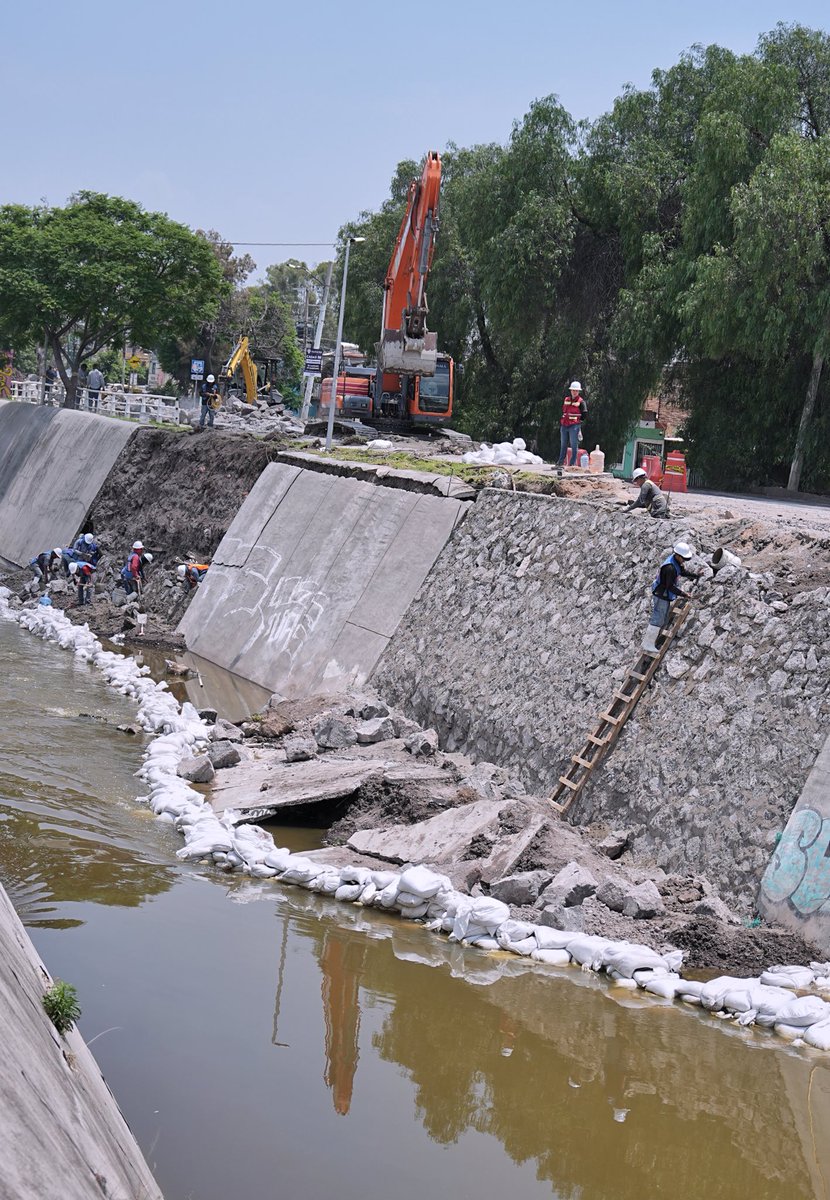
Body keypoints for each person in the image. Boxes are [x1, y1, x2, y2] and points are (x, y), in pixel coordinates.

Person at [642, 541, 698, 654]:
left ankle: (651, 642)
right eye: (683, 558)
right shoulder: (669, 568)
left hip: (664, 594)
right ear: (677, 555)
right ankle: (648, 643)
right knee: (658, 617)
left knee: (661, 617)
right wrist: (684, 594)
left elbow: (682, 572)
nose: (684, 561)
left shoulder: (675, 562)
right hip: (661, 594)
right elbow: (670, 586)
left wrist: (696, 575)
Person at [557, 381, 587, 468]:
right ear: (571, 391)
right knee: (563, 444)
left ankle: (572, 464)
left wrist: (579, 422)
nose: (574, 392)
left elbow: (584, 413)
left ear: (578, 392)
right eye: (573, 390)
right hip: (564, 424)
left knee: (574, 445)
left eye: (576, 390)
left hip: (574, 425)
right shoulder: (566, 399)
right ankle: (560, 462)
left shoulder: (581, 402)